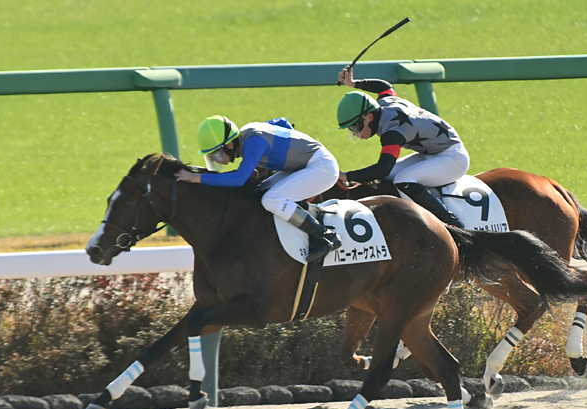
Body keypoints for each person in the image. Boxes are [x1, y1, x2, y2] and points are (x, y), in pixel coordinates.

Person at [175, 115, 342, 263]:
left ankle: (324, 236)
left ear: (230, 145)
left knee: (271, 200)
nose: (217, 161)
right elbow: (281, 122)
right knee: (258, 195)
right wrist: (291, 147)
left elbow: (239, 179)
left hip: (322, 167)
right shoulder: (249, 133)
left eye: (216, 154)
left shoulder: (253, 141)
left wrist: (196, 178)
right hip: (303, 166)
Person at [336, 65, 469, 228]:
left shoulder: (393, 131)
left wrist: (346, 176)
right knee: (388, 178)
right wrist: (354, 83)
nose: (356, 134)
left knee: (403, 179)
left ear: (369, 117)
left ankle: (451, 223)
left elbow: (382, 168)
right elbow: (384, 87)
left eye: (355, 128)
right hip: (433, 153)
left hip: (453, 158)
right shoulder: (384, 102)